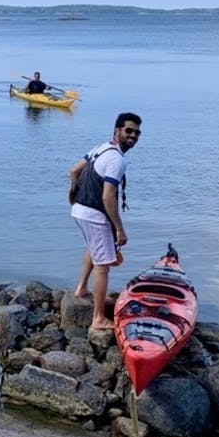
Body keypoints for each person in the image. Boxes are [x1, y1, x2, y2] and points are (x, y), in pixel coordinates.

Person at [68, 112, 142, 330]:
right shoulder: (117, 159)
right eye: (129, 131)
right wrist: (119, 229)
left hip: (80, 210)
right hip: (94, 214)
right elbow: (108, 196)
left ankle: (81, 288)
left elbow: (74, 170)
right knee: (103, 267)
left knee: (94, 248)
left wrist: (74, 193)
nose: (133, 136)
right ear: (117, 131)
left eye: (137, 133)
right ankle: (98, 319)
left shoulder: (100, 148)